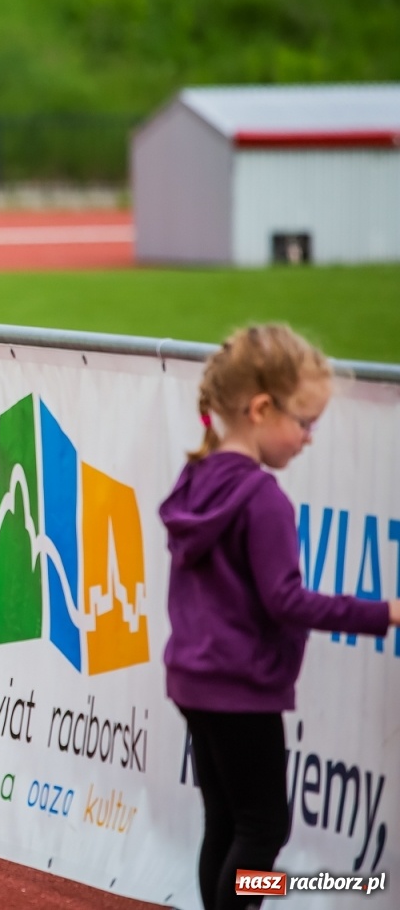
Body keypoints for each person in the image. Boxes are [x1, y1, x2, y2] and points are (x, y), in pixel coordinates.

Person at [161, 325, 399, 910]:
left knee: (226, 821)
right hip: (241, 689)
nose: (309, 438)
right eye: (305, 422)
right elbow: (285, 601)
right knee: (263, 829)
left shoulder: (197, 478)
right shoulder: (262, 498)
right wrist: (385, 612)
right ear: (262, 408)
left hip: (194, 679)